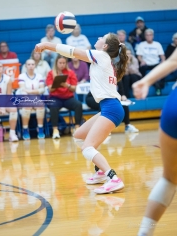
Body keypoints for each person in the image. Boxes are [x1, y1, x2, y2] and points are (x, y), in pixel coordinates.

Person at [35, 32, 129, 194]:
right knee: (79, 134)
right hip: (109, 107)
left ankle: (113, 178)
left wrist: (46, 45)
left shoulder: (101, 55)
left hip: (111, 108)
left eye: (101, 38)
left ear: (105, 46)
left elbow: (72, 51)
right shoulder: (104, 59)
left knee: (87, 148)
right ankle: (100, 172)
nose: (98, 38)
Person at [132, 48, 177, 236]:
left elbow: (173, 61)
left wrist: (146, 81)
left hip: (174, 107)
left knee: (169, 179)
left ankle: (145, 233)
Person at [45, 55, 83, 139]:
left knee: (78, 105)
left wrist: (66, 85)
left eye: (64, 63)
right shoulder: (51, 73)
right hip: (55, 97)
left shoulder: (71, 73)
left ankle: (77, 127)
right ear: (56, 63)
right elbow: (50, 89)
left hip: (68, 98)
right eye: (60, 63)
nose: (62, 64)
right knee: (53, 105)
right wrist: (57, 83)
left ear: (66, 63)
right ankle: (55, 130)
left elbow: (73, 89)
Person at [18, 59, 45, 140]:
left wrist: (30, 91)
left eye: (32, 64)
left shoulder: (39, 76)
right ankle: (25, 129)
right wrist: (35, 92)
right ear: (26, 66)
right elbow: (23, 90)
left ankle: (40, 128)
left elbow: (42, 90)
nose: (31, 66)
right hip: (24, 99)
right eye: (29, 64)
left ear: (35, 66)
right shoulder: (21, 76)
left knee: (40, 105)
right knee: (27, 105)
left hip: (36, 99)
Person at [136, 29, 166, 95]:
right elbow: (139, 57)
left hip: (156, 63)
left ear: (153, 36)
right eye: (147, 35)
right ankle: (154, 86)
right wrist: (142, 61)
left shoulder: (157, 44)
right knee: (142, 69)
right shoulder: (141, 44)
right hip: (146, 64)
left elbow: (162, 56)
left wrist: (163, 61)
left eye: (150, 35)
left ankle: (158, 87)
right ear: (145, 36)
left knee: (163, 69)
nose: (149, 36)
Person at [0, 62, 18, 142]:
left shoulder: (8, 79)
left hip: (6, 100)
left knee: (13, 109)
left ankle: (12, 134)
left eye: (0, 66)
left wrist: (3, 106)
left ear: (3, 69)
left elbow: (8, 95)